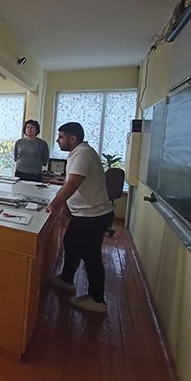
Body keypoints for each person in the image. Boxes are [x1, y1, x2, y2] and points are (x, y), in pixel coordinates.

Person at [47, 122, 114, 313]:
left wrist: (54, 204)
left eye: (61, 137)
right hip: (84, 213)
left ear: (73, 138)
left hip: (93, 215)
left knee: (91, 256)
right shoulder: (77, 153)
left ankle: (97, 300)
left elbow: (72, 183)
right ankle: (66, 279)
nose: (58, 140)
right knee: (71, 243)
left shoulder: (84, 154)